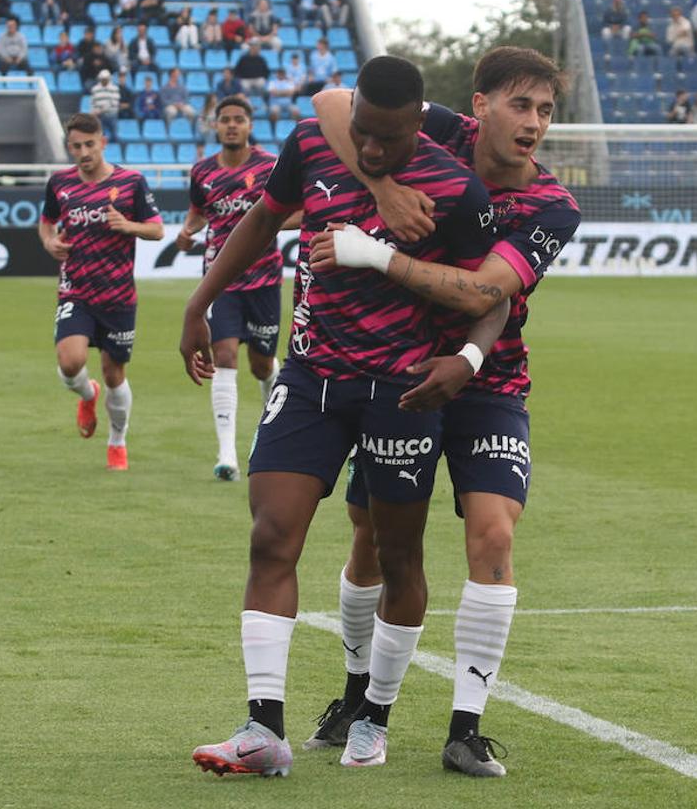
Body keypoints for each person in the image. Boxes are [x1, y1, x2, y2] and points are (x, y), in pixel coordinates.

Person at [183, 55, 503, 778]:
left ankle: (375, 714)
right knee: (271, 537)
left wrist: (469, 361)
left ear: (416, 125)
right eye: (363, 131)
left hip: (402, 391)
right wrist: (199, 301)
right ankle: (263, 728)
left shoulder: (455, 189)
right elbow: (264, 220)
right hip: (309, 377)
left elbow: (494, 295)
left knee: (398, 558)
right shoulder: (313, 141)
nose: (372, 149)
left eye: (388, 140)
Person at [306, 46, 581, 779]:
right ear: (481, 105)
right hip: (396, 372)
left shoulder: (553, 206)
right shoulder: (442, 132)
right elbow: (332, 101)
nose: (534, 124)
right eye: (521, 106)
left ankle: (466, 727)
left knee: (493, 535)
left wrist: (464, 356)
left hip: (488, 380)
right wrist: (383, 188)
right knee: (372, 539)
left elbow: (482, 295)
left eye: (546, 111)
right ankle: (355, 695)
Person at [38, 112, 163, 470]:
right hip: (75, 292)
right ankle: (86, 393)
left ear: (103, 143)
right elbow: (46, 223)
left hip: (118, 295)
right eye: (76, 146)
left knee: (114, 375)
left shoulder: (131, 182)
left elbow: (156, 230)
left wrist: (128, 225)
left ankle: (117, 441)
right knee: (69, 362)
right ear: (69, 147)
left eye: (89, 144)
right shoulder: (59, 183)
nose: (83, 152)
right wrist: (49, 243)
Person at [177, 95, 288, 479]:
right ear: (216, 126)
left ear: (249, 125)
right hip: (220, 280)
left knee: (261, 365)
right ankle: (227, 456)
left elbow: (298, 208)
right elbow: (197, 211)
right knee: (224, 355)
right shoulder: (202, 171)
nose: (231, 125)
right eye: (225, 120)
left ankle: (272, 414)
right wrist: (187, 231)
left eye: (238, 119)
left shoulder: (271, 167)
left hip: (264, 280)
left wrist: (269, 226)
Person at [91, 68, 119, 141]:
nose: (104, 80)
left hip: (111, 114)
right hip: (100, 116)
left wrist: (101, 110)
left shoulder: (114, 88)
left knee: (114, 135)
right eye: (103, 79)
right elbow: (93, 103)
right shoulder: (95, 89)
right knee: (100, 135)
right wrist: (94, 111)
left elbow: (114, 103)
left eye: (106, 79)